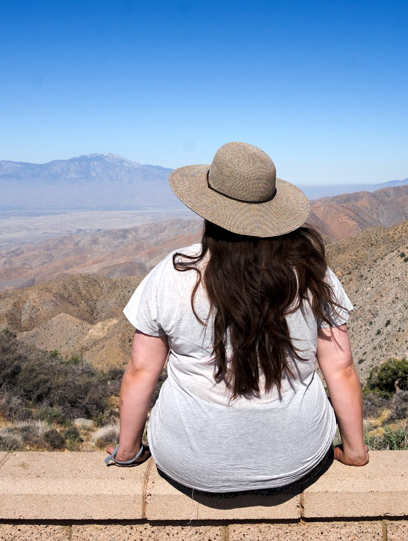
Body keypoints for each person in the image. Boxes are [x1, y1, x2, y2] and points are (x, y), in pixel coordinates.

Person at [104, 141, 369, 494]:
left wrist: (127, 452)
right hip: (298, 458)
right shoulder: (310, 272)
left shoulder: (172, 274)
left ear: (208, 208)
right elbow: (341, 368)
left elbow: (141, 371)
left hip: (190, 463)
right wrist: (354, 451)